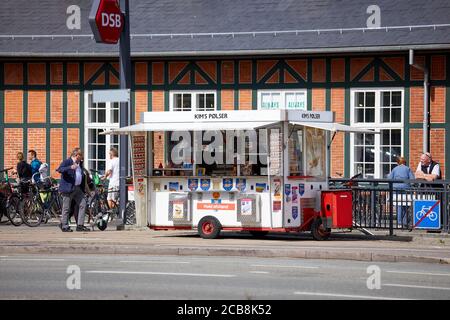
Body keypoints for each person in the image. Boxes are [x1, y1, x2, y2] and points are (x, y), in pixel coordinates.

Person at [56, 147, 90, 232]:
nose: (82, 157)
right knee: (66, 207)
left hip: (78, 188)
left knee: (83, 204)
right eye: (81, 155)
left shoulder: (80, 163)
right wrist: (70, 167)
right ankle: (64, 225)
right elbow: (59, 169)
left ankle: (80, 225)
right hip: (68, 188)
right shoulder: (67, 161)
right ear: (76, 155)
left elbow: (81, 175)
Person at [388, 157, 415, 227]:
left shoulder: (394, 169)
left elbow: (390, 178)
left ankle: (399, 223)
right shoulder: (407, 168)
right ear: (404, 162)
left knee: (399, 205)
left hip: (396, 188)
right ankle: (404, 222)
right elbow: (412, 180)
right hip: (406, 188)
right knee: (406, 205)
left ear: (398, 163)